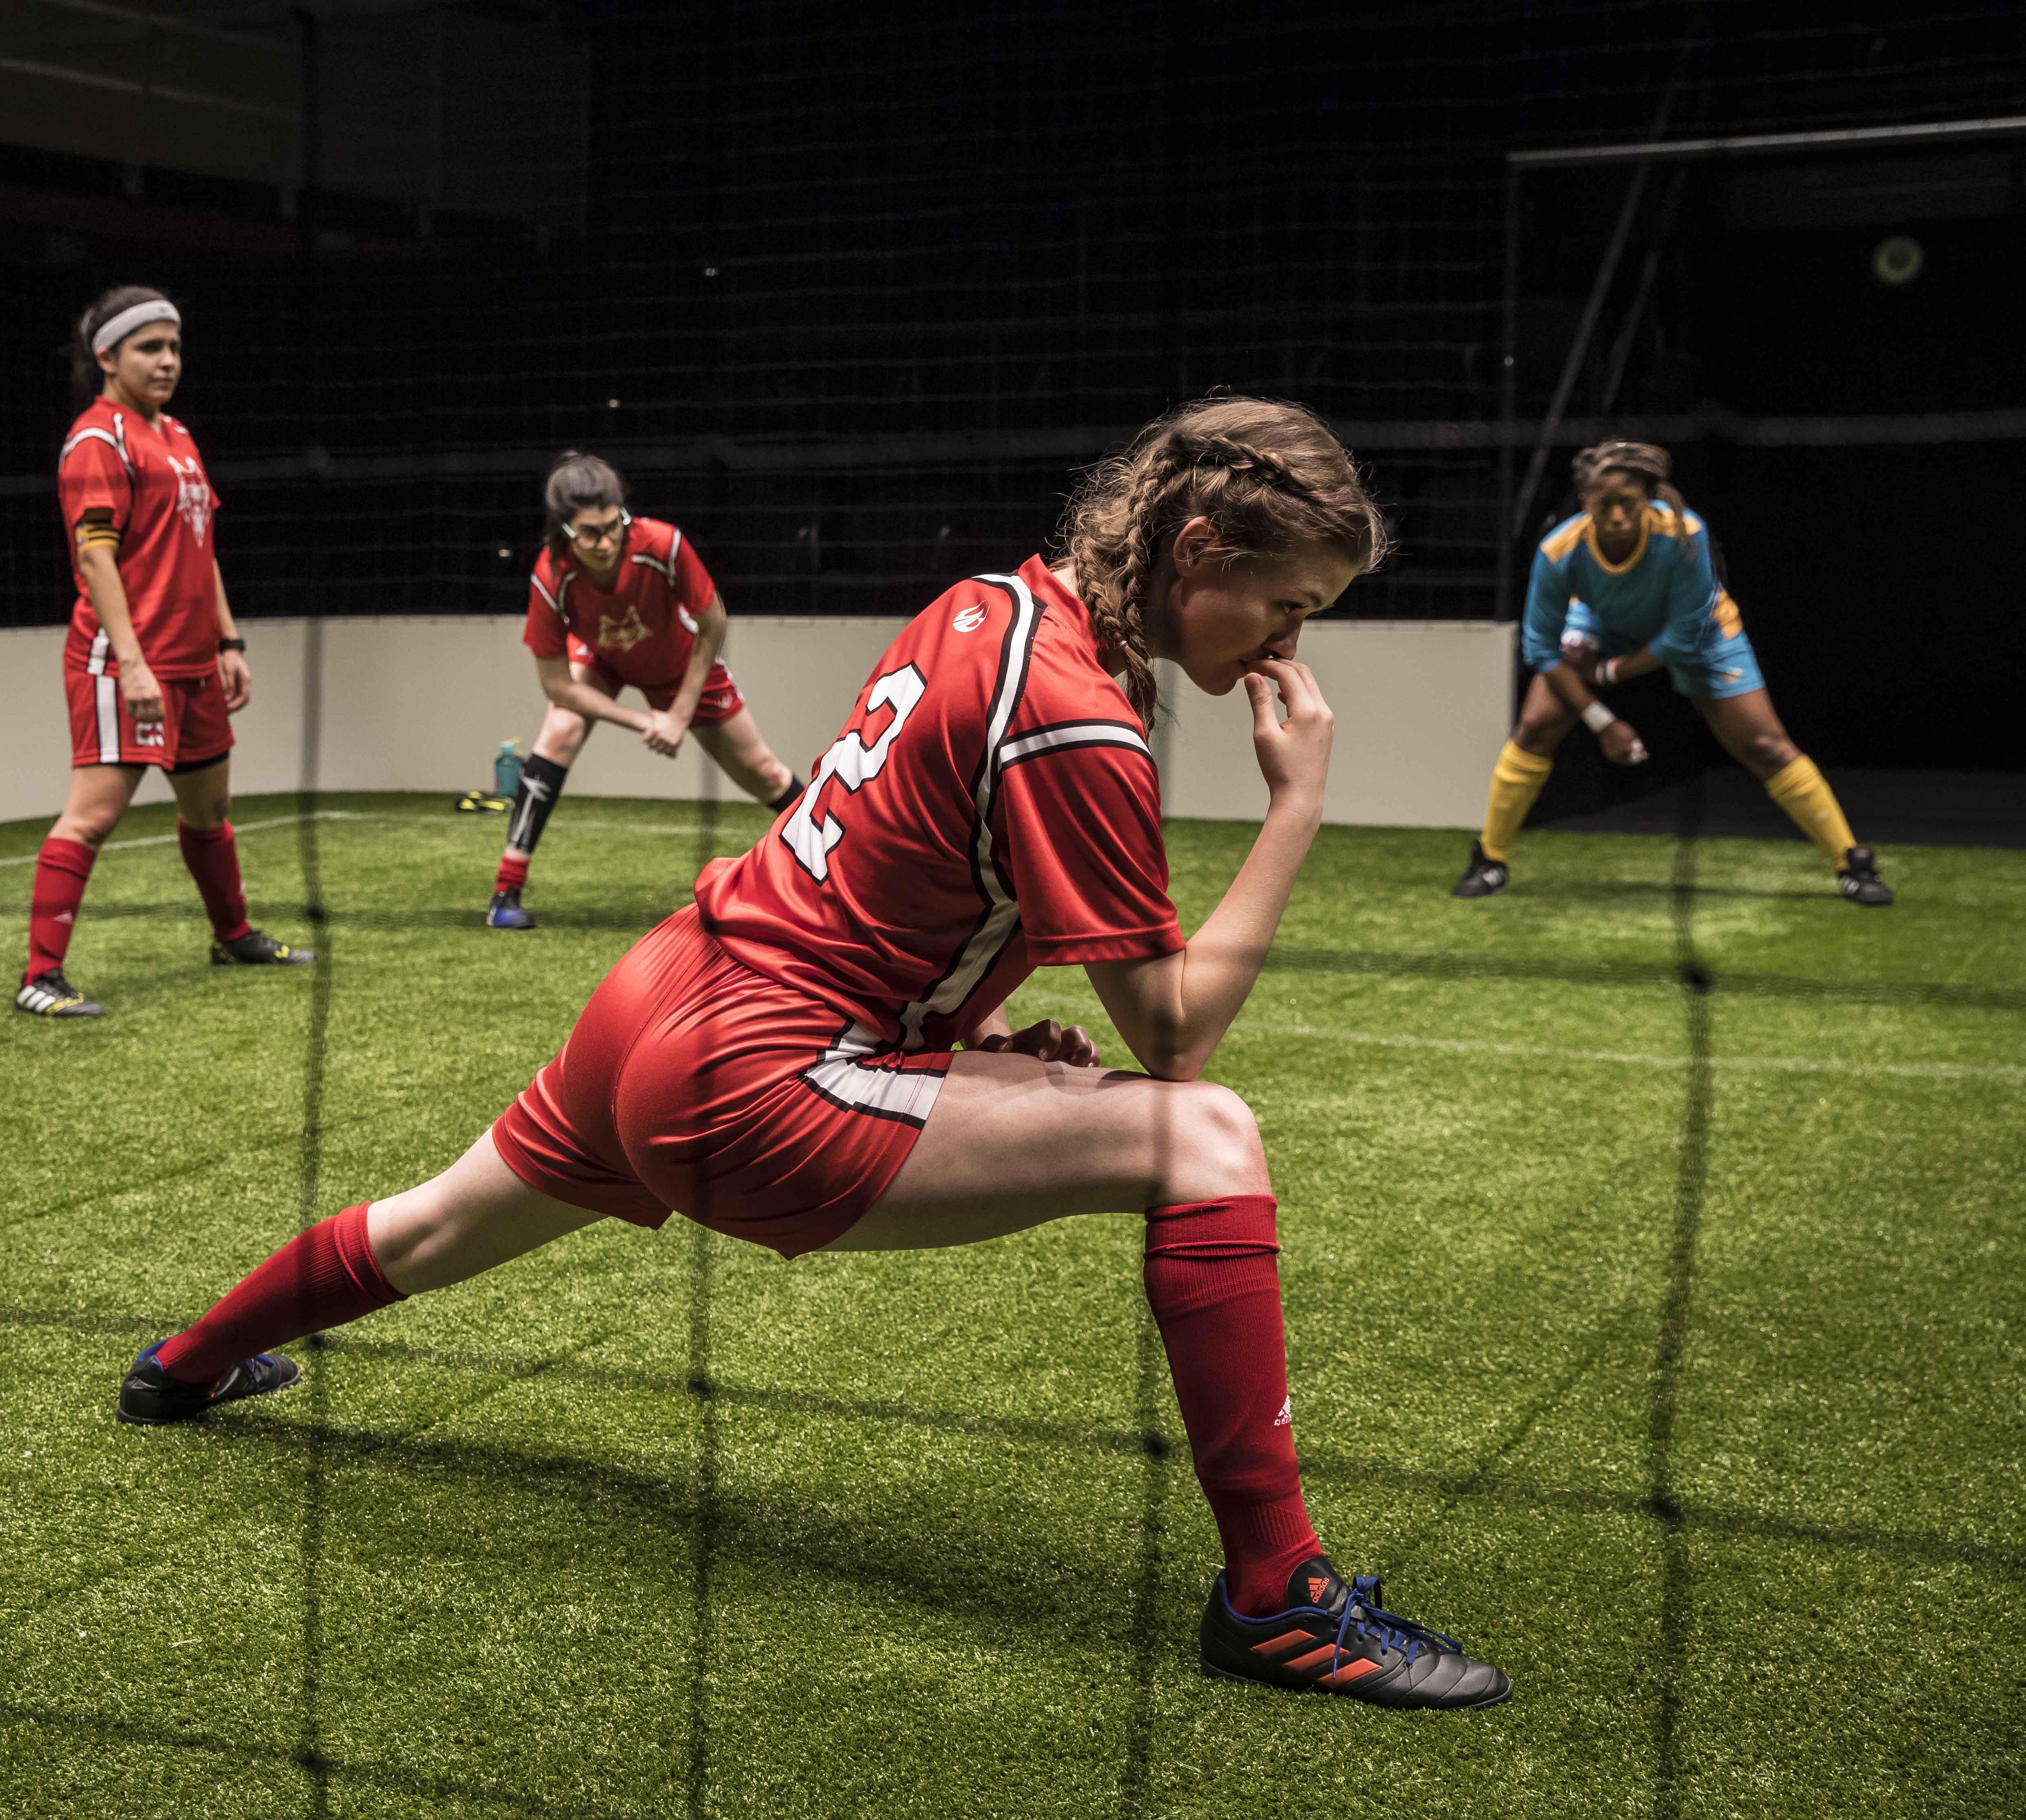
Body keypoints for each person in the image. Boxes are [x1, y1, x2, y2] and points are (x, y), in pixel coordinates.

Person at [121, 398, 1512, 1710]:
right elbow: (1178, 1030)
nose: (1290, 645)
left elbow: (903, 869)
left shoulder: (987, 603)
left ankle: (185, 1363)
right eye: (1289, 604)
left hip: (663, 1001)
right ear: (1197, 548)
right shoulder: (1082, 710)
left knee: (427, 1230)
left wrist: (960, 1035)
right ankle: (1280, 1596)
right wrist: (1297, 806)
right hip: (754, 1084)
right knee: (1204, 1133)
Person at [15, 285, 310, 1018]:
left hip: (193, 665)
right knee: (93, 816)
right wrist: (134, 662)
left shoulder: (177, 436)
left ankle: (232, 934)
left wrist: (228, 641)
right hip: (124, 665)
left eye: (175, 347)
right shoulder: (97, 440)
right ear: (106, 357)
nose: (168, 361)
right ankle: (40, 978)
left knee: (210, 809)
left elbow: (200, 545)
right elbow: (94, 559)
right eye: (150, 347)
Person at [1453, 440, 1892, 905]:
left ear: (1650, 500)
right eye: (1605, 505)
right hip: (1605, 625)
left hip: (1701, 634)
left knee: (1764, 744)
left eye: (1630, 504)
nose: (1619, 517)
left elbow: (1683, 637)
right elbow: (1541, 649)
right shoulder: (1559, 552)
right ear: (1585, 503)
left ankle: (1851, 863)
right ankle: (1490, 858)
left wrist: (1606, 675)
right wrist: (1605, 722)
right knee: (1536, 724)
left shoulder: (1685, 535)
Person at [487, 453, 804, 930]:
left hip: (681, 665)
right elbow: (557, 686)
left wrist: (677, 714)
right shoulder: (552, 576)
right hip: (603, 659)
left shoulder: (662, 545)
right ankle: (505, 892)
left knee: (765, 773)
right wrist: (644, 722)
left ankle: (842, 873)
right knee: (559, 730)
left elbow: (713, 621)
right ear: (564, 532)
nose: (607, 541)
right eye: (590, 533)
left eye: (615, 525)